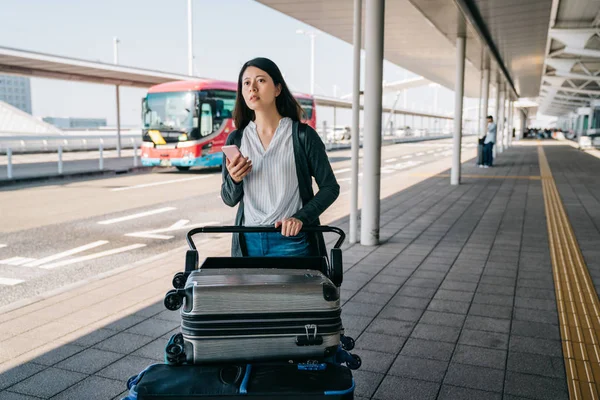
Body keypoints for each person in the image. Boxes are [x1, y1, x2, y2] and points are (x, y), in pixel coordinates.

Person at [221, 57, 340, 257]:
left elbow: (330, 187)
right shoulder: (237, 139)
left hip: (292, 242)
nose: (253, 88)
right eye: (247, 83)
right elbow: (228, 198)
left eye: (261, 80)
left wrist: (301, 218)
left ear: (277, 89)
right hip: (248, 240)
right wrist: (234, 179)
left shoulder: (302, 135)